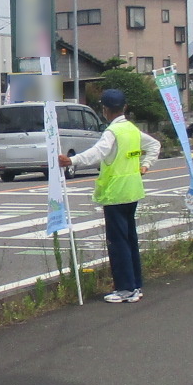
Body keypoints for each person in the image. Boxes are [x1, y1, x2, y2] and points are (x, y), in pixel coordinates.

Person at [61, 86, 156, 302]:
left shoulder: (112, 132)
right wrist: (146, 165)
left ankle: (125, 289)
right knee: (130, 238)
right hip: (133, 190)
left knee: (118, 242)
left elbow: (98, 153)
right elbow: (155, 145)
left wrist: (72, 160)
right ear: (125, 107)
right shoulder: (132, 129)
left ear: (104, 110)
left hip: (115, 193)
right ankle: (135, 285)